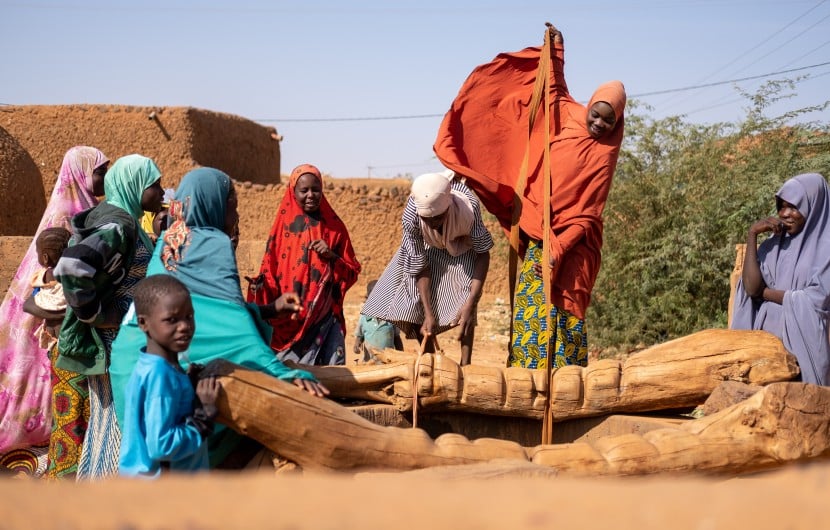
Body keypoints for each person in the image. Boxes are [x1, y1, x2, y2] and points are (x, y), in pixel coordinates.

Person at [433, 24, 626, 369]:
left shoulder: (605, 154)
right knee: (530, 310)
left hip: (572, 246)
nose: (598, 124)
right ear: (589, 107)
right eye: (596, 114)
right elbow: (554, 87)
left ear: (617, 123)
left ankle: (562, 391)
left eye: (607, 121)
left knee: (564, 315)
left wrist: (558, 250)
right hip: (540, 235)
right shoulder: (570, 114)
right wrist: (557, 51)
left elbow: (587, 215)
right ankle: (526, 382)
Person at [110, 167, 329, 469]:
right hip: (167, 371)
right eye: (233, 206)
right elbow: (234, 329)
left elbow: (211, 314)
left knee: (149, 455)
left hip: (130, 362)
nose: (235, 216)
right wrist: (281, 373)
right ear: (213, 204)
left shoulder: (170, 237)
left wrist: (268, 309)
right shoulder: (213, 243)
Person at [54, 154, 165, 480]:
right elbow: (72, 267)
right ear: (134, 186)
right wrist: (98, 314)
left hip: (119, 339)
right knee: (122, 421)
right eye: (154, 185)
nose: (161, 193)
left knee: (108, 423)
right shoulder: (119, 224)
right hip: (114, 342)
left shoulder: (120, 217)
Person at [0, 146, 108, 477]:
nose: (104, 178)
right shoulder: (70, 219)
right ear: (81, 174)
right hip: (59, 326)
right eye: (100, 171)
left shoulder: (86, 212)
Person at [361, 170, 493, 365]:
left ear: (448, 206)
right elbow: (418, 266)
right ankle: (429, 361)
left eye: (437, 218)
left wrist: (471, 302)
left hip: (462, 246)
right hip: (427, 247)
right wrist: (429, 314)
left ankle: (466, 363)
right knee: (413, 300)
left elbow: (483, 253)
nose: (432, 223)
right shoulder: (411, 216)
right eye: (427, 219)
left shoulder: (468, 206)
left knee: (466, 300)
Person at [247, 164, 361, 366]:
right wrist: (261, 290)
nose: (311, 195)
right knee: (288, 377)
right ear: (293, 191)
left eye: (315, 190)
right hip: (289, 317)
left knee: (331, 377)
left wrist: (331, 256)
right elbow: (270, 269)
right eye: (304, 190)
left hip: (325, 318)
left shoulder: (335, 228)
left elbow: (351, 272)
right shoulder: (283, 227)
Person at [731, 173, 830, 386]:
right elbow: (751, 287)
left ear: (814, 207)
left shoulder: (826, 250)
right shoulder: (772, 245)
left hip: (802, 351)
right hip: (764, 353)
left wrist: (765, 293)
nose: (785, 214)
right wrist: (752, 235)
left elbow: (817, 299)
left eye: (794, 207)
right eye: (781, 206)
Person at [118, 275, 220, 478]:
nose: (184, 326)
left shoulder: (152, 365)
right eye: (171, 320)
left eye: (189, 317)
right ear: (143, 323)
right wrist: (203, 419)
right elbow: (161, 446)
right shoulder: (161, 375)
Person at [354, 280, 403, 358]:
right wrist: (357, 345)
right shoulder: (364, 318)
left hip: (388, 362)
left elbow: (397, 338)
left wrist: (401, 356)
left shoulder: (391, 317)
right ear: (368, 299)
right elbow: (359, 336)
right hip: (370, 363)